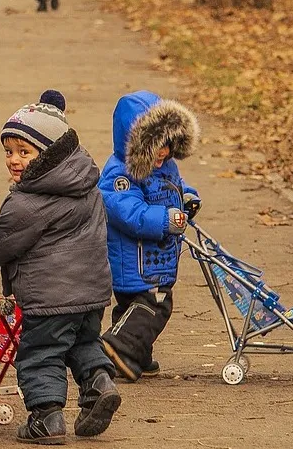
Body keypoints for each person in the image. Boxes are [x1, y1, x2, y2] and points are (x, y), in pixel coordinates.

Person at [0, 90, 121, 444]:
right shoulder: (87, 186)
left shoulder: (28, 202)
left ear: (50, 154)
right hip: (92, 294)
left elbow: (1, 238)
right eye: (9, 151)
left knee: (40, 354)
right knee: (83, 342)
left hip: (49, 298)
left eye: (25, 152)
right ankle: (99, 384)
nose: (14, 160)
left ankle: (47, 418)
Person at [99, 91, 201, 382]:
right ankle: (117, 346)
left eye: (168, 145)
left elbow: (176, 186)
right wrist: (164, 219)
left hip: (155, 258)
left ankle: (136, 355)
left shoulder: (166, 166)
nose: (164, 153)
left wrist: (188, 198)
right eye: (157, 146)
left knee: (133, 308)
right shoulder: (120, 173)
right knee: (156, 304)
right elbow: (126, 210)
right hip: (136, 261)